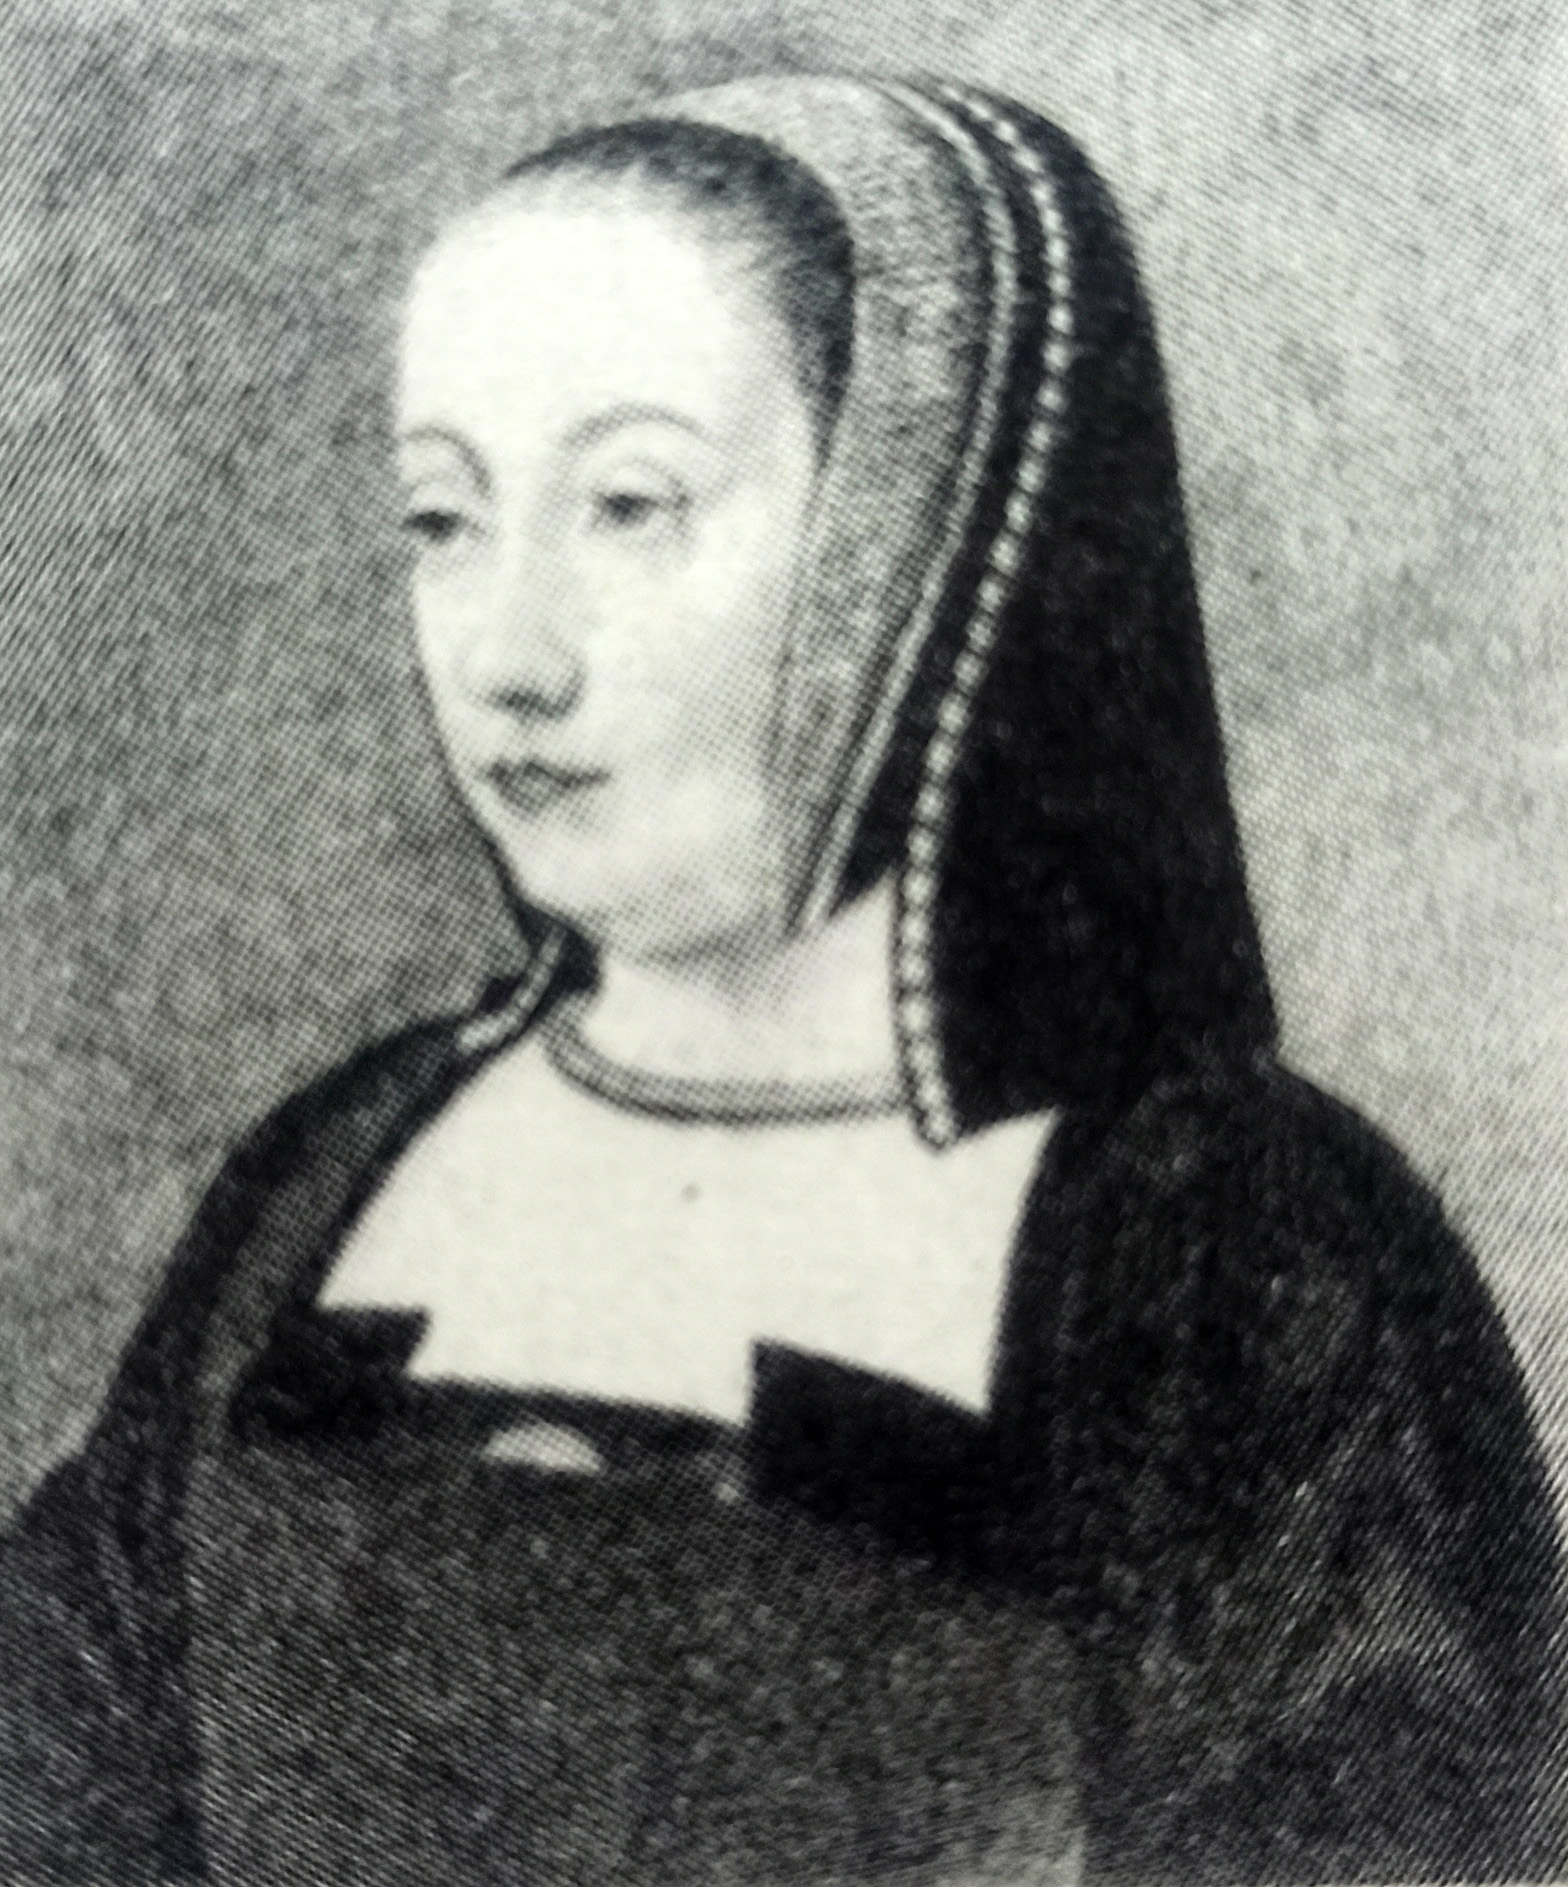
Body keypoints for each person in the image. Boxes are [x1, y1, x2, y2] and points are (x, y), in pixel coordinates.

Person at [1, 72, 1562, 1886]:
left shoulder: (1232, 1236)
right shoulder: (332, 1174)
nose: (510, 655)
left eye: (630, 504)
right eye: (443, 519)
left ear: (915, 534)